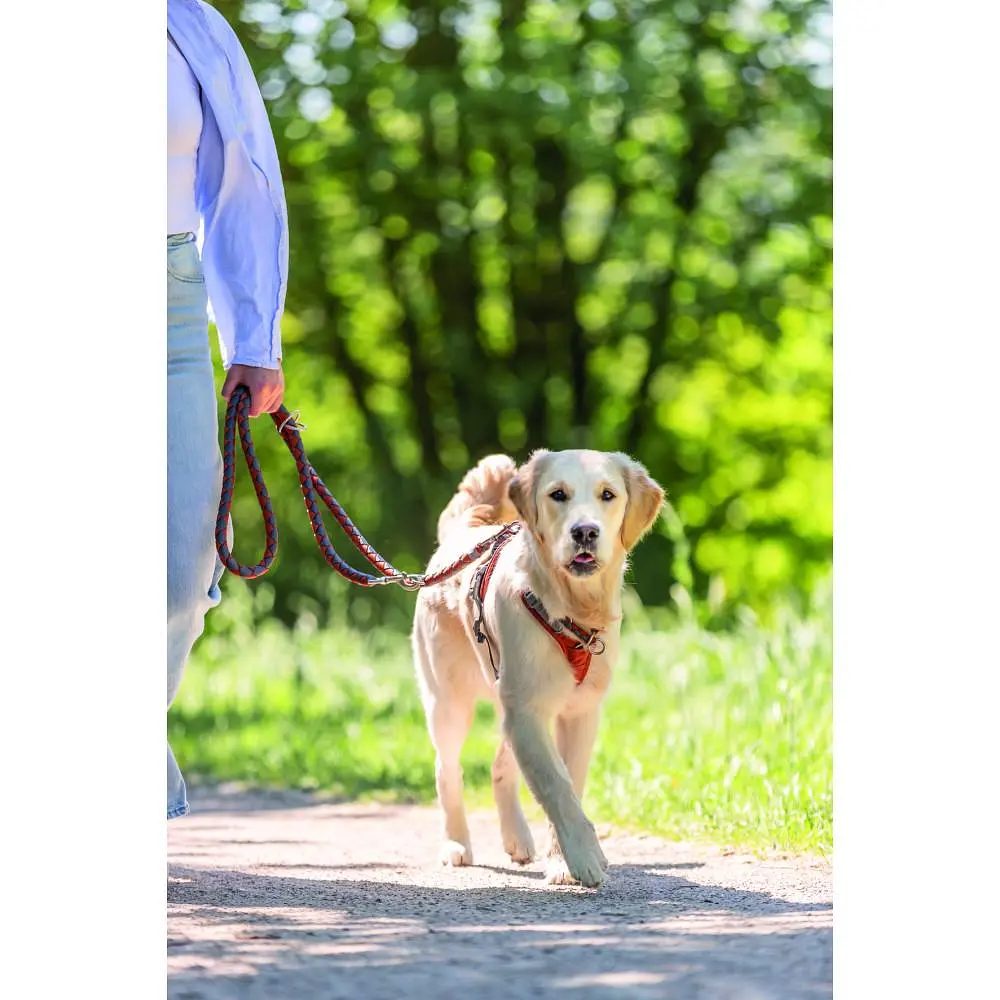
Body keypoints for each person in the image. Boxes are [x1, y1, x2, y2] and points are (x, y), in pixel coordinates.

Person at [167, 0, 289, 819]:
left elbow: (243, 176)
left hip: (164, 299)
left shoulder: (189, 25)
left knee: (182, 562)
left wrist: (254, 333)